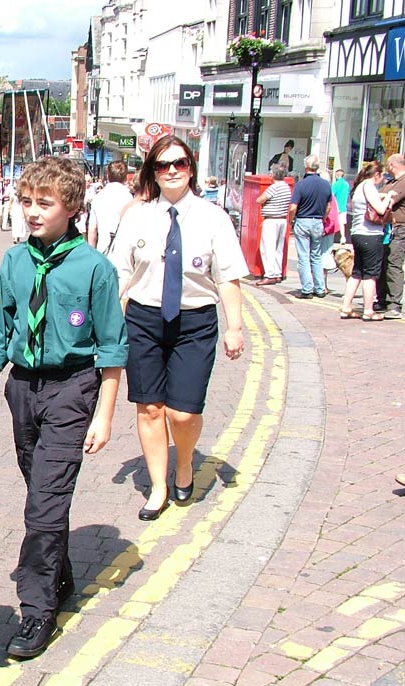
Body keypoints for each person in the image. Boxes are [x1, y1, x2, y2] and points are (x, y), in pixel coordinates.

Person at [0, 157, 127, 660]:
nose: (32, 212)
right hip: (24, 389)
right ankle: (59, 577)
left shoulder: (94, 269)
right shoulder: (16, 261)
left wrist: (104, 414)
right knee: (43, 490)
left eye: (45, 203)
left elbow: (111, 347)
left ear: (72, 207)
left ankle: (37, 610)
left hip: (71, 389)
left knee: (44, 501)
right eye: (26, 202)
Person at [111, 136, 247, 521]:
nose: (172, 171)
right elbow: (119, 274)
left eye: (180, 163)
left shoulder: (213, 217)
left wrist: (234, 327)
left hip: (194, 320)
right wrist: (103, 323)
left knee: (182, 414)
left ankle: (184, 462)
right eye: (163, 165)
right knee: (151, 408)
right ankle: (158, 487)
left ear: (191, 168)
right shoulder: (136, 216)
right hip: (144, 319)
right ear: (152, 171)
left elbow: (228, 278)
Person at [341, 161, 395, 321]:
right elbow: (380, 209)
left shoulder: (359, 187)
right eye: (382, 175)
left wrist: (381, 195)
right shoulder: (369, 186)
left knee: (357, 272)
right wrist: (389, 196)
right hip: (370, 235)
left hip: (357, 234)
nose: (383, 179)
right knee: (370, 275)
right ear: (376, 174)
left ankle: (346, 306)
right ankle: (368, 310)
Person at [376, 153, 405, 318]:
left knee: (394, 264)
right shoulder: (393, 182)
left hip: (400, 228)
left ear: (392, 165)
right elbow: (381, 196)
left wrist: (383, 196)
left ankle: (395, 304)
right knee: (384, 263)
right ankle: (382, 299)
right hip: (389, 228)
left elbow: (386, 198)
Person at [289, 154, 333, 299]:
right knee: (316, 256)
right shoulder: (326, 184)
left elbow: (293, 207)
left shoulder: (301, 184)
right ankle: (320, 288)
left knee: (303, 256)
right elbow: (328, 206)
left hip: (303, 220)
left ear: (305, 166)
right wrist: (324, 218)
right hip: (318, 221)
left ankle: (307, 288)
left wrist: (290, 221)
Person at [87, 160, 132, 255]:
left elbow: (92, 230)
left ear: (108, 176)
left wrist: (92, 254)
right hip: (124, 253)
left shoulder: (98, 197)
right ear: (125, 177)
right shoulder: (129, 198)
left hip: (102, 251)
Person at [255, 165, 291, 285]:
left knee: (267, 248)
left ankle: (269, 274)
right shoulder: (286, 187)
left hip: (271, 220)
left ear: (273, 175)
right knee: (278, 248)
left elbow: (259, 200)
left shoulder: (274, 187)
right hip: (282, 219)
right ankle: (277, 273)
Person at [331, 168, 351, 241]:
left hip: (335, 207)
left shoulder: (335, 184)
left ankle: (332, 237)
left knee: (333, 223)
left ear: (337, 175)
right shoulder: (346, 185)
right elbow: (348, 194)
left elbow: (331, 195)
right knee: (341, 223)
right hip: (343, 207)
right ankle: (343, 237)